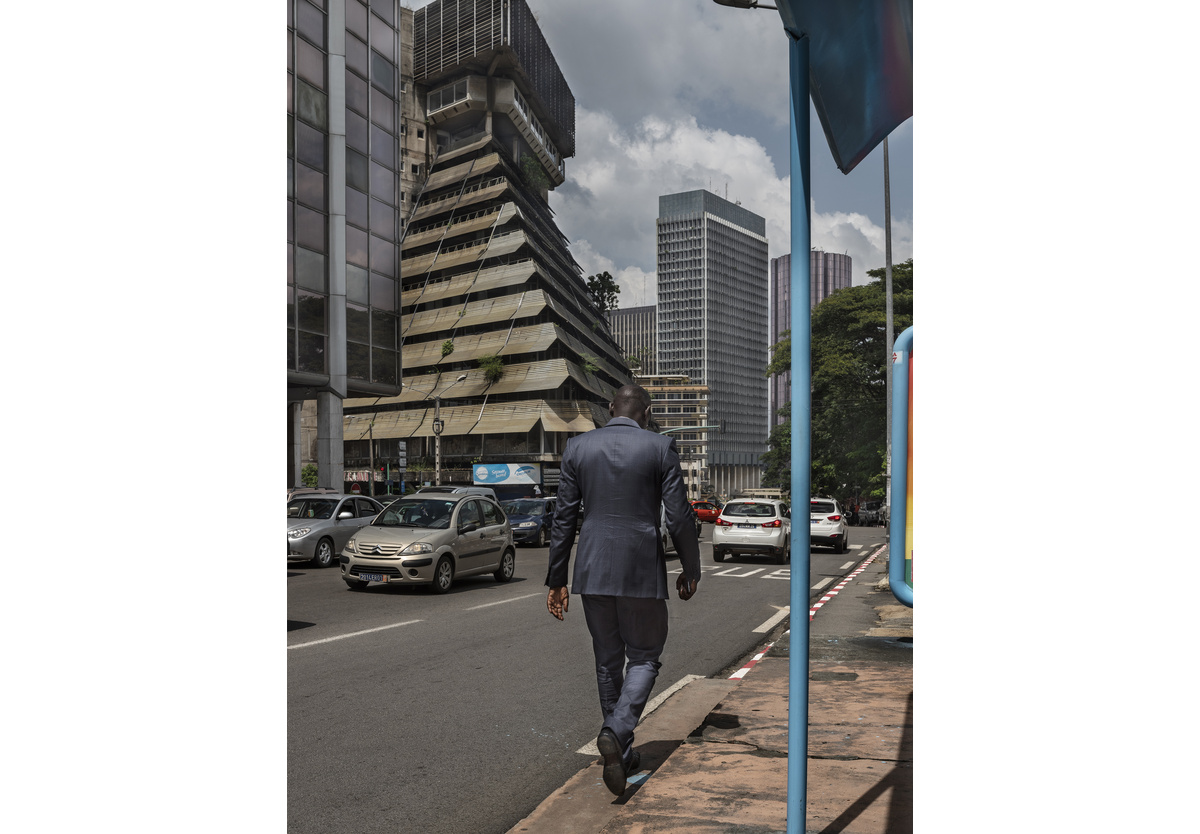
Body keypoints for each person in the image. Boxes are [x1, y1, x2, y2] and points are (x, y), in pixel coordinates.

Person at [545, 384, 702, 797]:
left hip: (592, 568)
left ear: (609, 409)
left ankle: (621, 748)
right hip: (640, 570)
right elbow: (680, 515)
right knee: (646, 657)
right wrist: (691, 567)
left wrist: (556, 580)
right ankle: (616, 731)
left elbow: (563, 518)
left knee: (607, 660)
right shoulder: (660, 447)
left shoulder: (577, 448)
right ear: (646, 414)